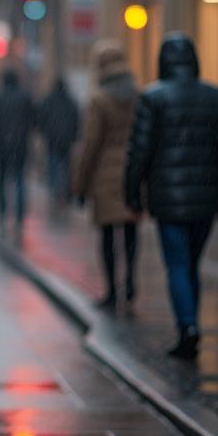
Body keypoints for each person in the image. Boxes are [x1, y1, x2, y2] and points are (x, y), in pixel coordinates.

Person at [124, 32, 218, 361]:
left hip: (168, 198)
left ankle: (187, 326)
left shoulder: (153, 97)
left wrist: (132, 195)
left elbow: (139, 151)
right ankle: (191, 322)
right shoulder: (215, 98)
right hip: (205, 197)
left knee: (177, 264)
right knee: (192, 264)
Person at [73, 40, 141, 310]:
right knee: (131, 230)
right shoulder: (138, 96)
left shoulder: (99, 100)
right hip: (132, 169)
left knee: (108, 237)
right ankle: (132, 281)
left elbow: (91, 144)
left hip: (104, 173)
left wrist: (80, 184)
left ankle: (112, 290)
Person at [0, 69, 34, 230]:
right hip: (20, 145)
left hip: (1, 146)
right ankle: (19, 214)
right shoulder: (24, 98)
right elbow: (32, 120)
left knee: (1, 182)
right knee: (19, 179)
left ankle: (3, 212)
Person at [38, 76, 80, 203]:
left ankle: (55, 190)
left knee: (53, 164)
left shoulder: (48, 100)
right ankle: (65, 189)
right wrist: (74, 135)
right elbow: (76, 119)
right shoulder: (70, 101)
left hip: (53, 139)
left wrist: (45, 132)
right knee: (66, 165)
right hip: (66, 139)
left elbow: (42, 118)